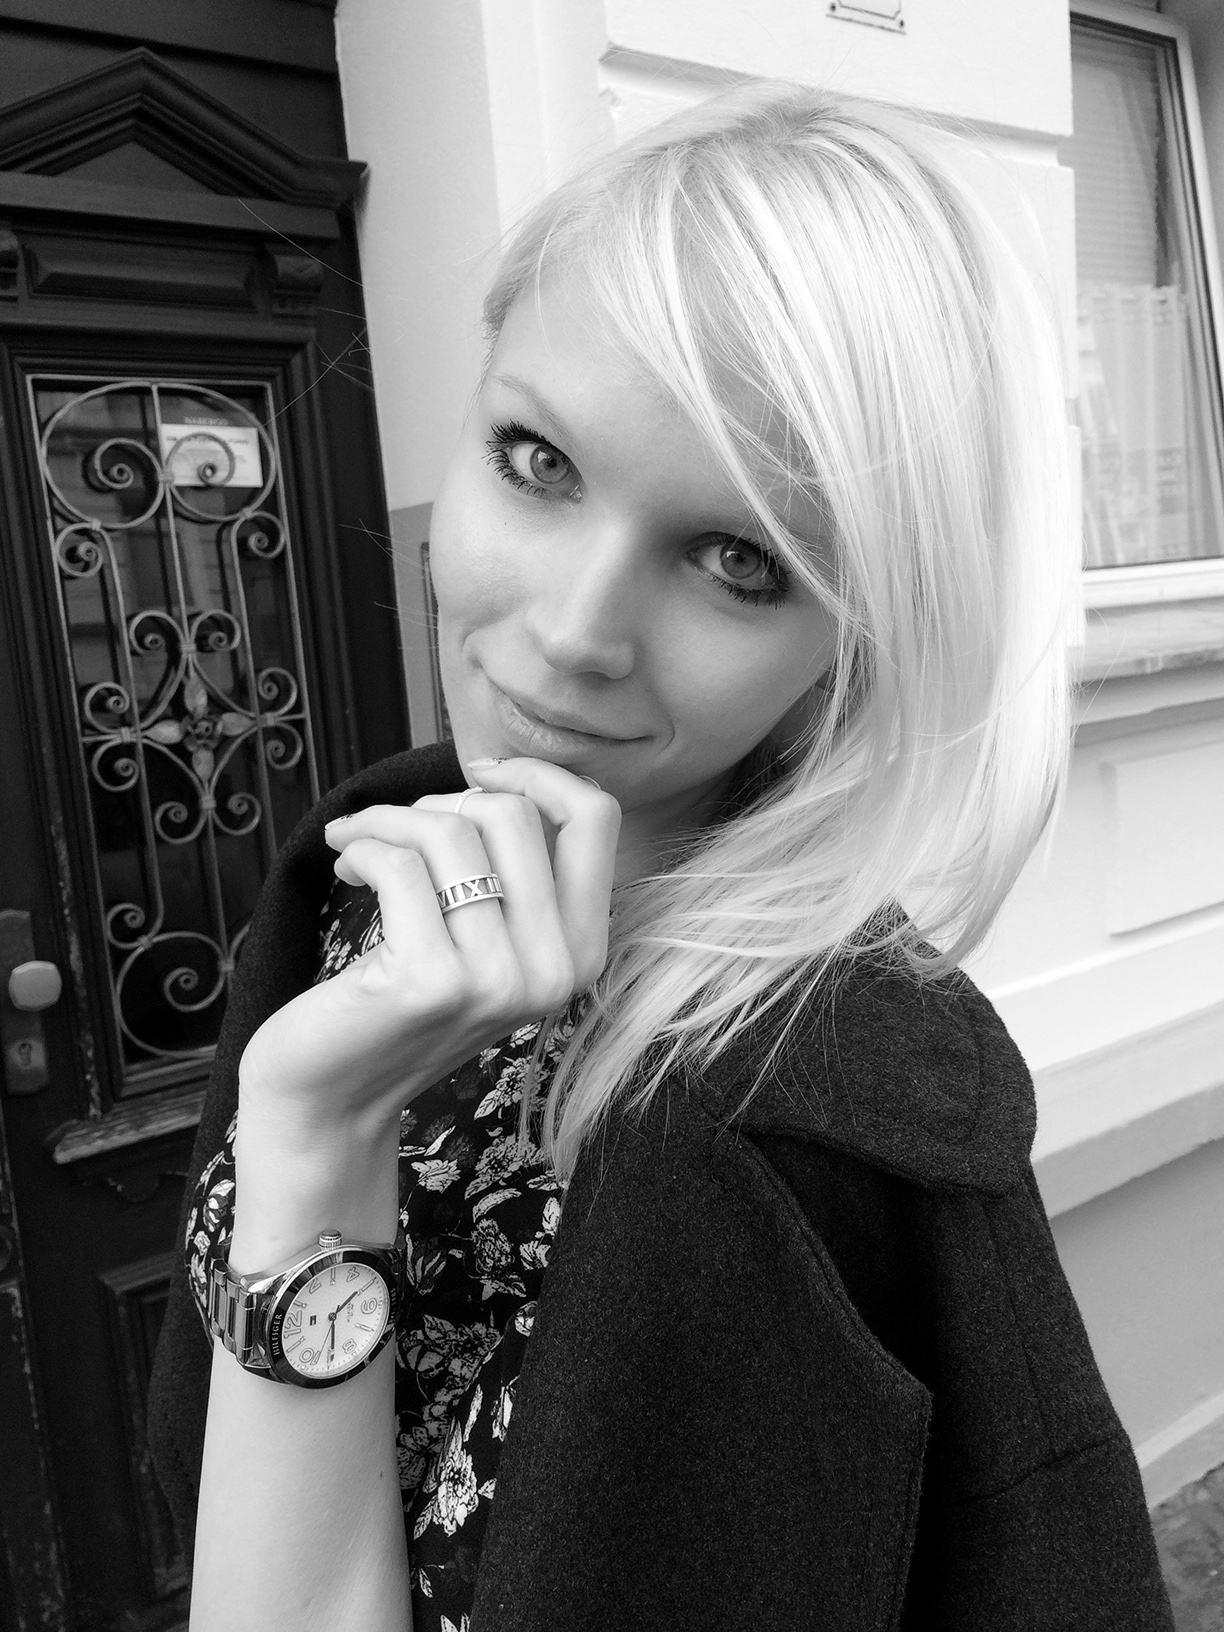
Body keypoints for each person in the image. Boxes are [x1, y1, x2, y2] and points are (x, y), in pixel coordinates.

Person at [148, 81, 1174, 1630]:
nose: (576, 635)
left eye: (739, 559)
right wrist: (309, 1138)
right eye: (538, 461)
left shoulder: (822, 1117)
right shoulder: (369, 877)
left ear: (850, 641)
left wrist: (312, 1149)